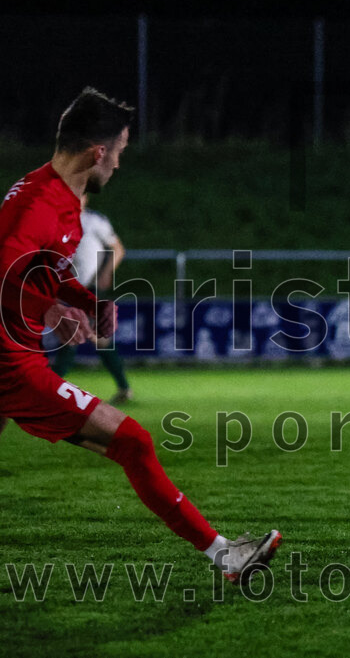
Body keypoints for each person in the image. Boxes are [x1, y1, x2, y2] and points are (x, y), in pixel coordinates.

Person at [0, 87, 280, 584]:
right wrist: (51, 310)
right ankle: (223, 555)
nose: (121, 166)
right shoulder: (40, 204)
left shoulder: (57, 196)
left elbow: (44, 268)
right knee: (133, 440)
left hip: (16, 355)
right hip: (11, 365)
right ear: (98, 151)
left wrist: (86, 301)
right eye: (122, 152)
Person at [52, 198, 133, 404]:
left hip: (91, 288)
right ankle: (124, 388)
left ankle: (51, 389)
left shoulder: (94, 221)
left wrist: (106, 272)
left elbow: (118, 249)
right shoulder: (56, 221)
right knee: (80, 335)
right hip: (68, 288)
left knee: (83, 336)